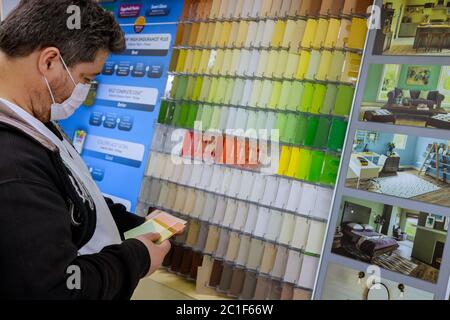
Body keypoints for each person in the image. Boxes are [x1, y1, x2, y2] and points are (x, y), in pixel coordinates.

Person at [0, 0, 171, 299]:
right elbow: (59, 289)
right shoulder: (12, 162)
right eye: (86, 79)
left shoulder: (34, 119)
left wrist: (137, 226)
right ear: (50, 62)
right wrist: (136, 258)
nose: (85, 90)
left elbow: (68, 195)